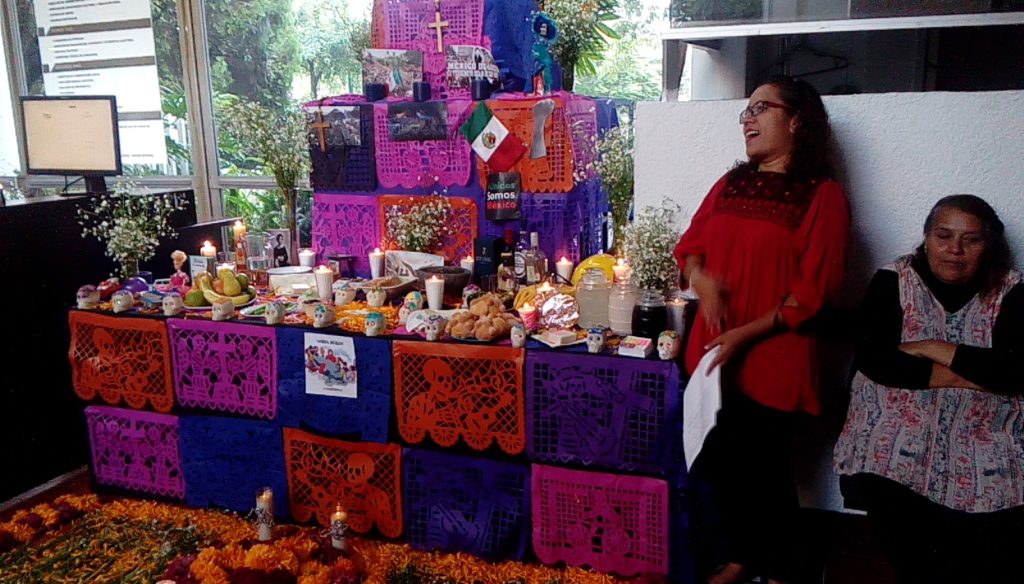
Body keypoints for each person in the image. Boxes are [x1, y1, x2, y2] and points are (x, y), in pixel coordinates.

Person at [674, 76, 850, 584]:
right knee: (720, 466)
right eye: (746, 111)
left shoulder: (823, 195)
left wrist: (743, 334)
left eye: (761, 108)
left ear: (796, 121)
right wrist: (702, 279)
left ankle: (779, 572)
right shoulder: (731, 184)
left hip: (772, 358)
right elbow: (691, 246)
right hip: (714, 354)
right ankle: (741, 557)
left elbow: (813, 292)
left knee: (766, 474)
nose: (748, 119)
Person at [833, 195, 1024, 584]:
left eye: (971, 239)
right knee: (909, 532)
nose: (955, 250)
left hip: (985, 431)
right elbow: (876, 359)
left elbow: (1017, 369)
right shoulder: (895, 279)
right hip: (899, 427)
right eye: (944, 236)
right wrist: (971, 374)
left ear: (988, 244)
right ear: (926, 237)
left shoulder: (1011, 290)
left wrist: (933, 347)